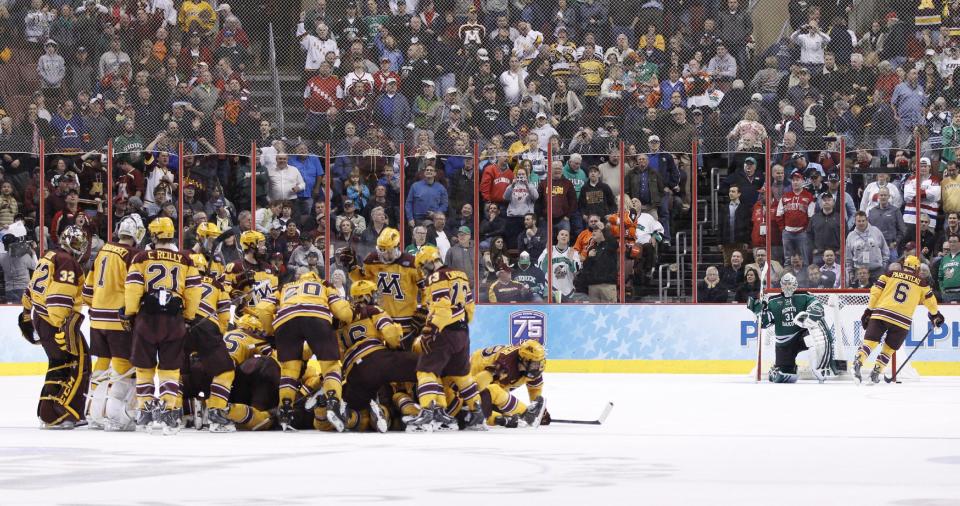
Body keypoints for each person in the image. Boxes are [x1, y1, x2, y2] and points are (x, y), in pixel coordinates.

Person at [123, 217, 202, 434]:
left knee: (144, 366)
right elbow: (194, 290)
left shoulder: (141, 257)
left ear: (154, 235)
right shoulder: (185, 259)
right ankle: (168, 411)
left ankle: (145, 411)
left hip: (147, 319)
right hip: (174, 319)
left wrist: (130, 312)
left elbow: (133, 286)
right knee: (170, 367)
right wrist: (188, 316)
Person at [405, 246, 485, 432]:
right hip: (463, 332)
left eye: (424, 268)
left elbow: (441, 306)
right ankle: (477, 412)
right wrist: (461, 322)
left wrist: (430, 330)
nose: (424, 273)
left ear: (429, 262)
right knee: (461, 375)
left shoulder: (436, 277)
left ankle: (427, 411)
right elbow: (470, 307)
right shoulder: (461, 274)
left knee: (425, 371)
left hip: (444, 331)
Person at [20, 225, 89, 429]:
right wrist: (62, 326)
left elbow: (30, 289)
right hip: (54, 320)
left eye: (80, 243)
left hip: (40, 317)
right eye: (75, 242)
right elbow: (59, 297)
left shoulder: (49, 255)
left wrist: (26, 312)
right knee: (77, 363)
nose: (77, 247)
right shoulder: (67, 262)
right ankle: (66, 413)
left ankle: (48, 412)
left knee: (58, 364)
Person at [81, 215, 144, 431]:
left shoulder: (103, 250)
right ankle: (117, 417)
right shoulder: (132, 254)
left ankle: (94, 413)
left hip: (97, 317)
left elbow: (87, 291)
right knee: (123, 367)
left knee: (102, 362)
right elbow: (135, 288)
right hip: (119, 318)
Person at [273, 269, 354, 432]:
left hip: (286, 321)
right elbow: (343, 312)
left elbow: (262, 307)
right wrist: (349, 317)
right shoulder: (324, 284)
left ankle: (285, 410)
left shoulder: (285, 287)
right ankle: (333, 402)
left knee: (289, 369)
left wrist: (270, 329)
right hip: (316, 318)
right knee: (330, 365)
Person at [337, 280, 419, 433]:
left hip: (353, 372)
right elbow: (390, 335)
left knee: (360, 411)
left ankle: (353, 417)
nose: (376, 297)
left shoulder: (341, 321)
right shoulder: (373, 310)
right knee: (424, 365)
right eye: (373, 294)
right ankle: (428, 407)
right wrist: (397, 344)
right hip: (376, 359)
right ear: (366, 296)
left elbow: (337, 352)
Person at [856, 256, 943, 384]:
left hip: (882, 313)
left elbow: (875, 293)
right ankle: (876, 372)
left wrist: (869, 310)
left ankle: (858, 362)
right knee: (889, 349)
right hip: (902, 321)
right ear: (917, 268)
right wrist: (936, 315)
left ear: (904, 265)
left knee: (870, 342)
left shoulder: (890, 274)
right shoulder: (922, 282)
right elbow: (930, 301)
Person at [747, 272, 838, 383]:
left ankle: (820, 367)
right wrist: (757, 309)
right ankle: (789, 369)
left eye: (790, 283)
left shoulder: (804, 296)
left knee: (815, 334)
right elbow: (765, 323)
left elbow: (818, 307)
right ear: (781, 285)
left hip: (801, 335)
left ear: (795, 284)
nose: (787, 286)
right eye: (785, 284)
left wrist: (809, 314)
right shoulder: (773, 301)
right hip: (784, 342)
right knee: (783, 375)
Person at [181, 253, 235, 432]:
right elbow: (225, 315)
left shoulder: (181, 277)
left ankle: (174, 413)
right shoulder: (216, 284)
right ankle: (216, 413)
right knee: (225, 370)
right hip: (207, 327)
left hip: (181, 325)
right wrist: (218, 333)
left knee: (174, 370)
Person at [347, 227, 422, 335]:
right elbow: (363, 282)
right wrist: (352, 268)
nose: (383, 254)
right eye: (381, 250)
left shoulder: (412, 263)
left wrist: (423, 311)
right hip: (381, 319)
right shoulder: (371, 260)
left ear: (397, 247)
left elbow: (425, 289)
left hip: (406, 321)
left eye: (387, 250)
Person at [463, 341, 547, 428]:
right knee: (493, 396)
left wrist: (540, 411)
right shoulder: (505, 364)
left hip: (487, 380)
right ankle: (525, 414)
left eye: (540, 363)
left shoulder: (528, 367)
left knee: (501, 409)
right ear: (524, 360)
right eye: (535, 364)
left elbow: (535, 389)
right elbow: (480, 384)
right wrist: (525, 413)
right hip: (472, 372)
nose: (538, 367)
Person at [846, 211, 889, 283]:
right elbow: (848, 257)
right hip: (859, 272)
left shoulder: (876, 231)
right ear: (855, 222)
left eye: (863, 221)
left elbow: (885, 249)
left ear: (867, 220)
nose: (861, 223)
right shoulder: (851, 236)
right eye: (859, 221)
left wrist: (883, 265)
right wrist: (850, 272)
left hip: (877, 270)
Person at [939, 234, 960, 302]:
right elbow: (940, 276)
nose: (952, 244)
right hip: (947, 295)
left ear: (959, 243)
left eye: (954, 241)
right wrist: (942, 290)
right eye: (950, 242)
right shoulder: (944, 259)